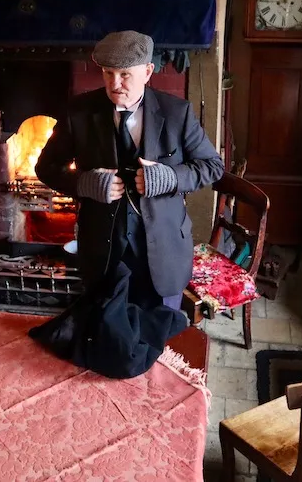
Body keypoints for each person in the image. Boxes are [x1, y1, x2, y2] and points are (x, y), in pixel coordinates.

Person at [35, 30, 224, 310]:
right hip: (103, 247)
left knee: (160, 332)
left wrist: (170, 178)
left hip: (163, 248)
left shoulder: (177, 113)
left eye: (125, 74)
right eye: (108, 73)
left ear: (148, 72)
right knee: (107, 330)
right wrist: (84, 183)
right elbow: (46, 167)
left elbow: (212, 167)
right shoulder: (79, 112)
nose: (115, 83)